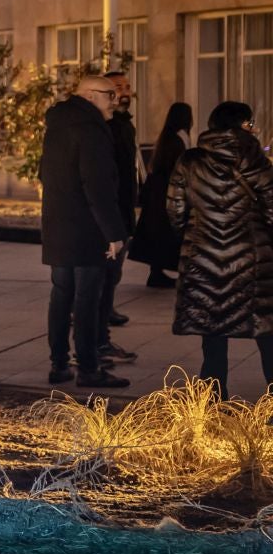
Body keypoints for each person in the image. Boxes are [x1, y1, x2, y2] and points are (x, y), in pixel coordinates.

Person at [167, 101, 273, 399]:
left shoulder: (189, 161)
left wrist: (197, 234)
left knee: (212, 336)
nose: (253, 129)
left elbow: (175, 211)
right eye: (250, 124)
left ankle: (213, 402)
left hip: (204, 259)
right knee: (266, 332)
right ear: (240, 126)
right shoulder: (257, 161)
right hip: (251, 261)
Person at [40, 75, 131, 388]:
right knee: (87, 300)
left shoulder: (58, 124)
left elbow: (45, 174)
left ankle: (59, 364)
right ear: (91, 96)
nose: (115, 100)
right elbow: (98, 186)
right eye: (109, 94)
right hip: (86, 228)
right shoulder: (90, 129)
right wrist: (114, 232)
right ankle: (89, 368)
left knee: (61, 295)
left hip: (58, 226)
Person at [98, 68, 140, 353]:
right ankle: (97, 337)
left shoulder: (124, 124)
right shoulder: (105, 126)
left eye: (126, 86)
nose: (124, 92)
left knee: (113, 273)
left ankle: (105, 314)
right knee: (103, 273)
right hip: (109, 213)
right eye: (117, 87)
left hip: (123, 209)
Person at [132, 101, 195, 289]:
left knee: (158, 233)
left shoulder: (167, 137)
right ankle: (160, 273)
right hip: (167, 193)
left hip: (157, 193)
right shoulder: (180, 138)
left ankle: (157, 272)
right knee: (167, 232)